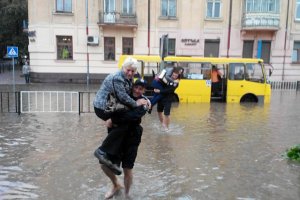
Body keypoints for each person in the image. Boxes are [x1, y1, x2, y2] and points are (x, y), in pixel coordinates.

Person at [93, 57, 149, 175]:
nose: (130, 73)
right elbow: (123, 97)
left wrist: (146, 100)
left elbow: (129, 94)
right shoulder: (117, 78)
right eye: (128, 70)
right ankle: (102, 151)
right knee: (122, 124)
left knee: (120, 125)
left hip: (113, 106)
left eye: (133, 71)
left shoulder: (128, 78)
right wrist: (136, 103)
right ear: (123, 68)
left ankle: (111, 159)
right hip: (103, 107)